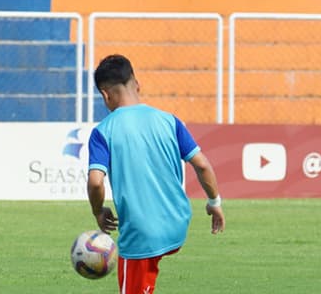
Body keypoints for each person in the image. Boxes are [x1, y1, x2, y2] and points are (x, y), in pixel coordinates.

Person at [86, 54, 224, 294]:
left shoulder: (103, 131)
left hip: (142, 233)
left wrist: (98, 211)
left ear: (105, 95)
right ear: (137, 84)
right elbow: (202, 165)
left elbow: (96, 182)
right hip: (177, 223)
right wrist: (214, 202)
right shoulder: (170, 121)